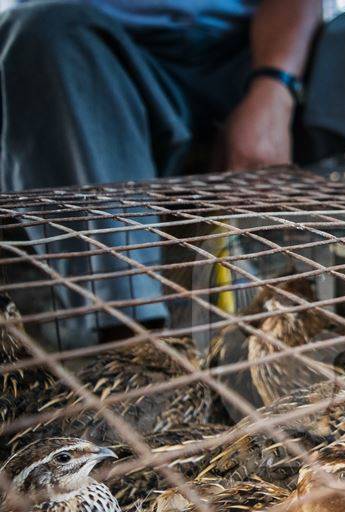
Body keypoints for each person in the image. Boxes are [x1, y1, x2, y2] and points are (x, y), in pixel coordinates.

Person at [0, 0, 320, 340]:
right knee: (40, 29)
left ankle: (309, 259)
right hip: (105, 56)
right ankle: (128, 337)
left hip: (248, 51)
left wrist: (275, 87)